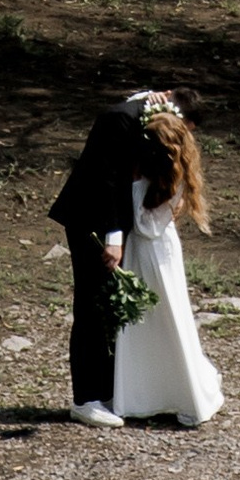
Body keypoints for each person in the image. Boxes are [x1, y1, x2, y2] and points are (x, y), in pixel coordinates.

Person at [112, 89, 224, 431]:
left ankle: (176, 392)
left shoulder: (165, 180)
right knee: (145, 323)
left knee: (166, 318)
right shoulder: (159, 172)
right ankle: (143, 392)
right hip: (148, 253)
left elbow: (146, 228)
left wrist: (131, 187)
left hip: (153, 254)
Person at [49, 92, 147, 425]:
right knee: (90, 308)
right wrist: (114, 237)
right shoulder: (117, 120)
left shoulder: (137, 113)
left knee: (106, 308)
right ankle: (84, 399)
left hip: (102, 223)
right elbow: (108, 180)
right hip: (89, 221)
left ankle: (106, 388)